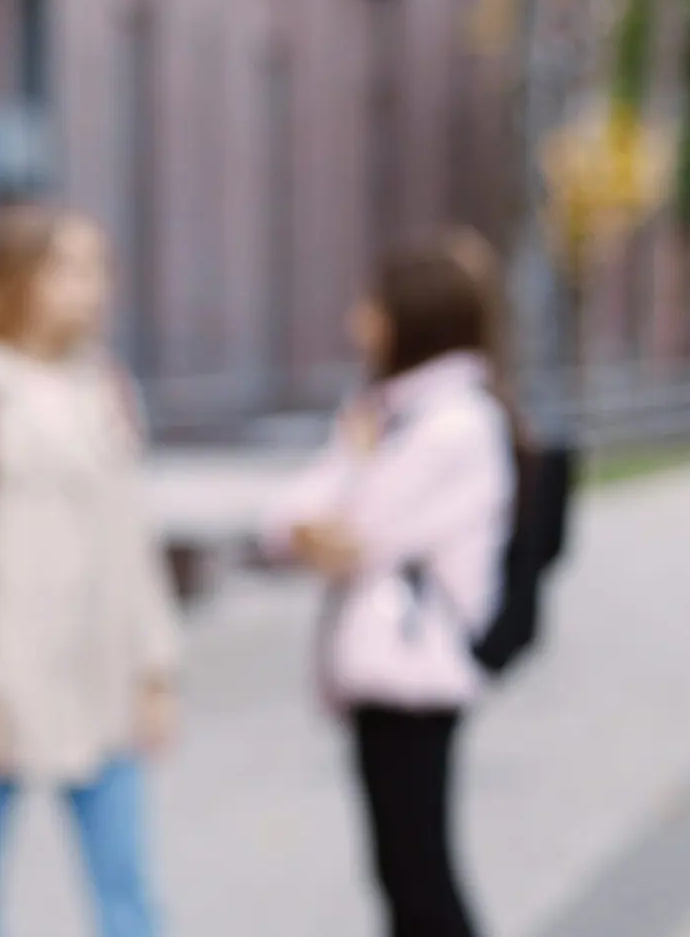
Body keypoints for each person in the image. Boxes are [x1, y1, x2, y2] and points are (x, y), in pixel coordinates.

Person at [0, 202, 183, 937]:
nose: (92, 287)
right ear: (19, 277)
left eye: (98, 269)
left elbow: (133, 536)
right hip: (3, 670)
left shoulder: (106, 387)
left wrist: (155, 665)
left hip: (102, 671)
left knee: (127, 882)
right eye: (71, 267)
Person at [260, 238, 516, 937]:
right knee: (400, 871)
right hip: (383, 671)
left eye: (371, 307)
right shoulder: (387, 415)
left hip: (417, 670)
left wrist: (340, 501)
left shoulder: (454, 424)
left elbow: (357, 531)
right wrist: (326, 519)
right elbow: (284, 524)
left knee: (419, 875)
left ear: (413, 316)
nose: (357, 321)